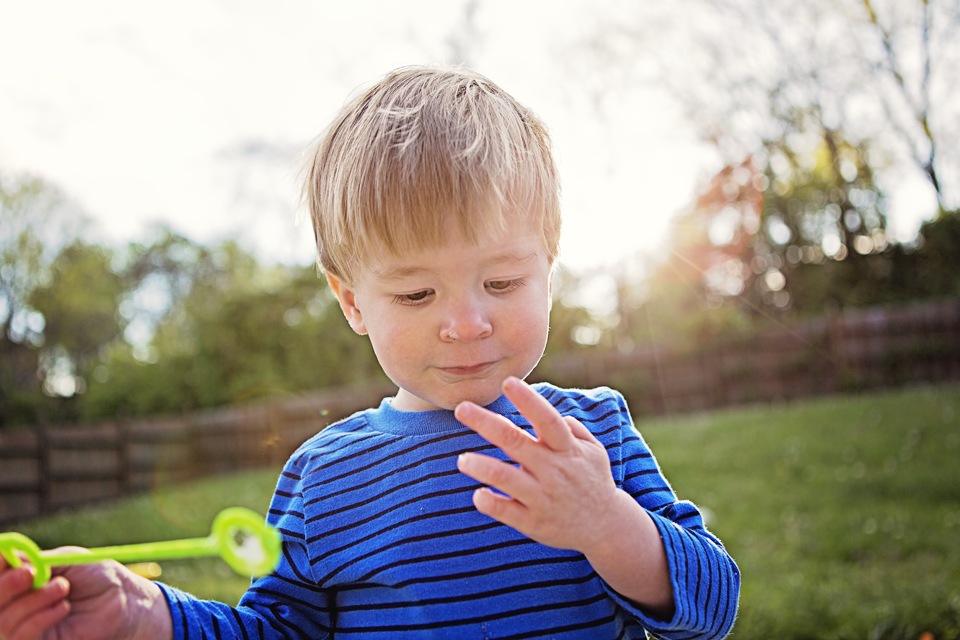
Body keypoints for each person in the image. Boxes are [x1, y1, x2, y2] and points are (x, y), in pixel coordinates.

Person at [0, 65, 739, 640]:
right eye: (417, 296)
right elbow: (278, 631)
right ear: (353, 301)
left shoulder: (591, 436)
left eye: (503, 280)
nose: (467, 322)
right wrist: (145, 617)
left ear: (550, 265)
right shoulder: (325, 477)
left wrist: (607, 522)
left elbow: (714, 603)